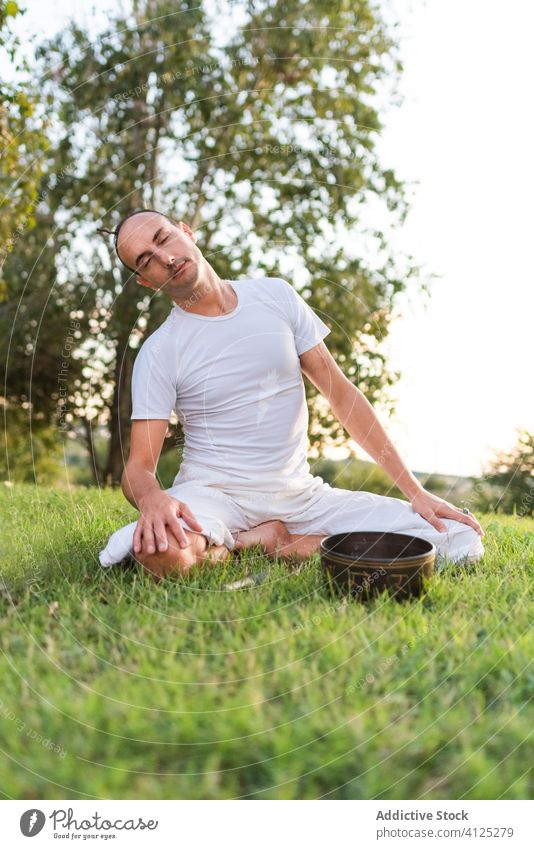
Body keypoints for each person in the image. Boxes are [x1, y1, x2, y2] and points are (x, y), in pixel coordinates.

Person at [97, 208, 485, 581]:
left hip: (301, 497)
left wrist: (416, 493)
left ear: (186, 232)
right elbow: (139, 468)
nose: (164, 257)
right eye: (146, 261)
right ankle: (258, 541)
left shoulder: (275, 297)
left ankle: (285, 543)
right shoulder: (160, 351)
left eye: (164, 238)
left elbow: (343, 397)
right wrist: (153, 499)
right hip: (212, 495)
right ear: (147, 281)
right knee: (161, 553)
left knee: (459, 540)